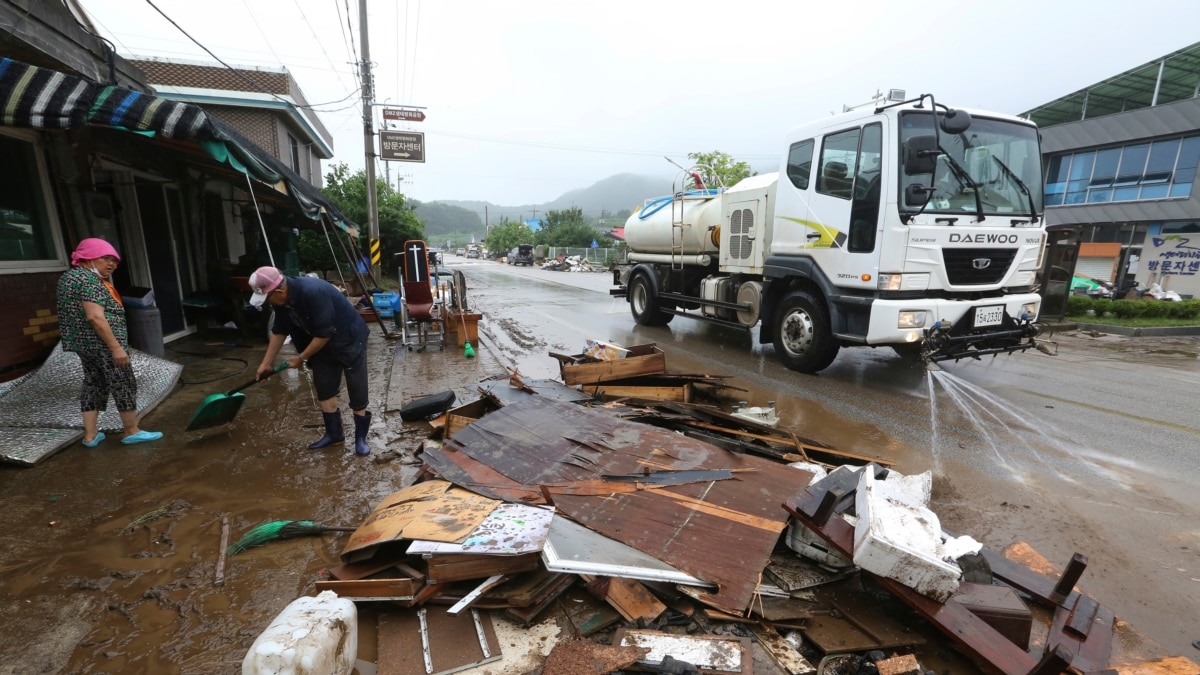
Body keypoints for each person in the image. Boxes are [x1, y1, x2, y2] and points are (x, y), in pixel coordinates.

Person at [249, 266, 372, 456]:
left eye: (267, 299)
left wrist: (301, 357)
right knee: (324, 385)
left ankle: (360, 439)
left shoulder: (313, 292)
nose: (267, 304)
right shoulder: (281, 302)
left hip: (349, 338)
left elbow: (324, 334)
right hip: (319, 342)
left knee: (357, 385)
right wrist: (266, 363)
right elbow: (279, 330)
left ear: (279, 291)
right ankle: (334, 435)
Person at [56, 238, 164, 447]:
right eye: (106, 259)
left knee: (93, 384)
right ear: (88, 257)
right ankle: (131, 430)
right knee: (123, 382)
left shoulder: (68, 278)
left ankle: (90, 435)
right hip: (102, 344)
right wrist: (116, 348)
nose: (112, 265)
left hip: (83, 345)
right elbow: (95, 317)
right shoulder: (88, 280)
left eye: (115, 261)